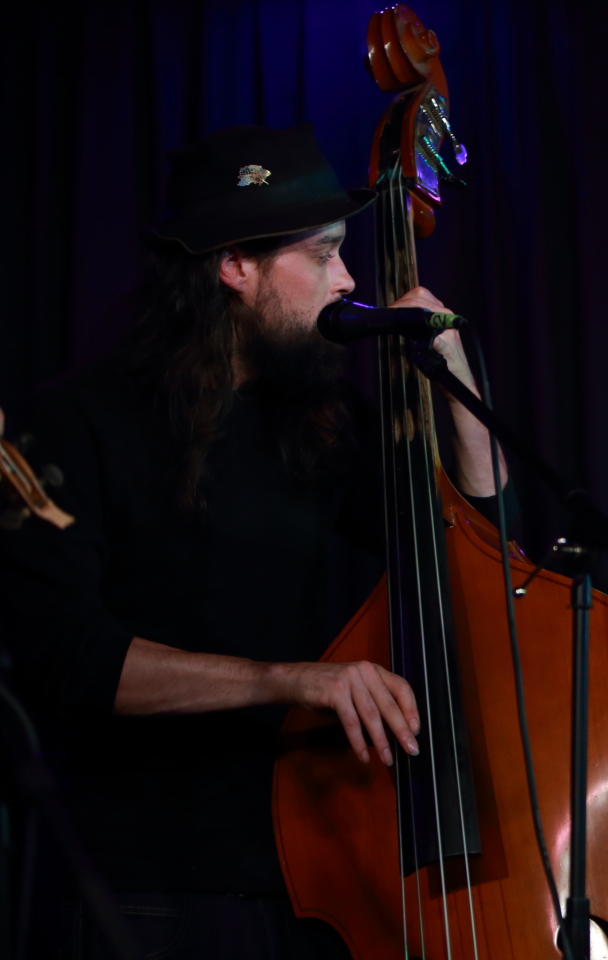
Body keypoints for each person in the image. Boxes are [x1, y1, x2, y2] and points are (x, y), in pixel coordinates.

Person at [0, 123, 506, 957]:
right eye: (323, 255)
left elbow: (479, 551)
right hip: (154, 885)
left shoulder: (322, 423)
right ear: (235, 266)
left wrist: (456, 386)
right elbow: (69, 660)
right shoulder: (77, 421)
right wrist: (293, 680)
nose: (348, 280)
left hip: (319, 873)